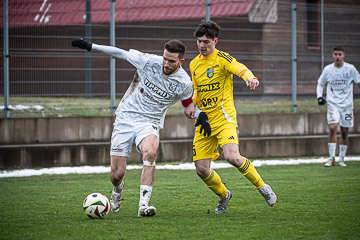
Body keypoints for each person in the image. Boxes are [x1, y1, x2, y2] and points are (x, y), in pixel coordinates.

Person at [72, 38, 196, 217]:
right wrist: (91, 47)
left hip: (149, 122)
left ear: (181, 62)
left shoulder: (184, 83)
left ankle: (143, 206)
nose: (166, 64)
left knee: (151, 153)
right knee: (116, 174)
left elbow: (187, 105)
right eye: (165, 58)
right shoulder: (148, 62)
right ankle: (117, 189)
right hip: (126, 117)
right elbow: (120, 53)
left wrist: (196, 112)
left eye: (171, 61)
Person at [184, 20, 277, 214]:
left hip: (224, 119)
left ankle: (263, 187)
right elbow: (196, 90)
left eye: (206, 42)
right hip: (205, 122)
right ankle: (224, 195)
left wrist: (250, 77)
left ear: (215, 41)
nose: (202, 45)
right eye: (199, 41)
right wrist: (192, 102)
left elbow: (239, 68)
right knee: (201, 169)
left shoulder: (222, 59)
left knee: (232, 157)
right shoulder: (194, 64)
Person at [316, 46, 360, 167]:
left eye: (340, 54)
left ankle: (341, 159)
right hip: (332, 103)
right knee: (332, 127)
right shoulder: (328, 69)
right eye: (335, 54)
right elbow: (320, 84)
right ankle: (331, 158)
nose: (337, 57)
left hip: (347, 105)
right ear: (332, 55)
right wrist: (319, 97)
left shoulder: (350, 69)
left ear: (343, 56)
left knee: (344, 131)